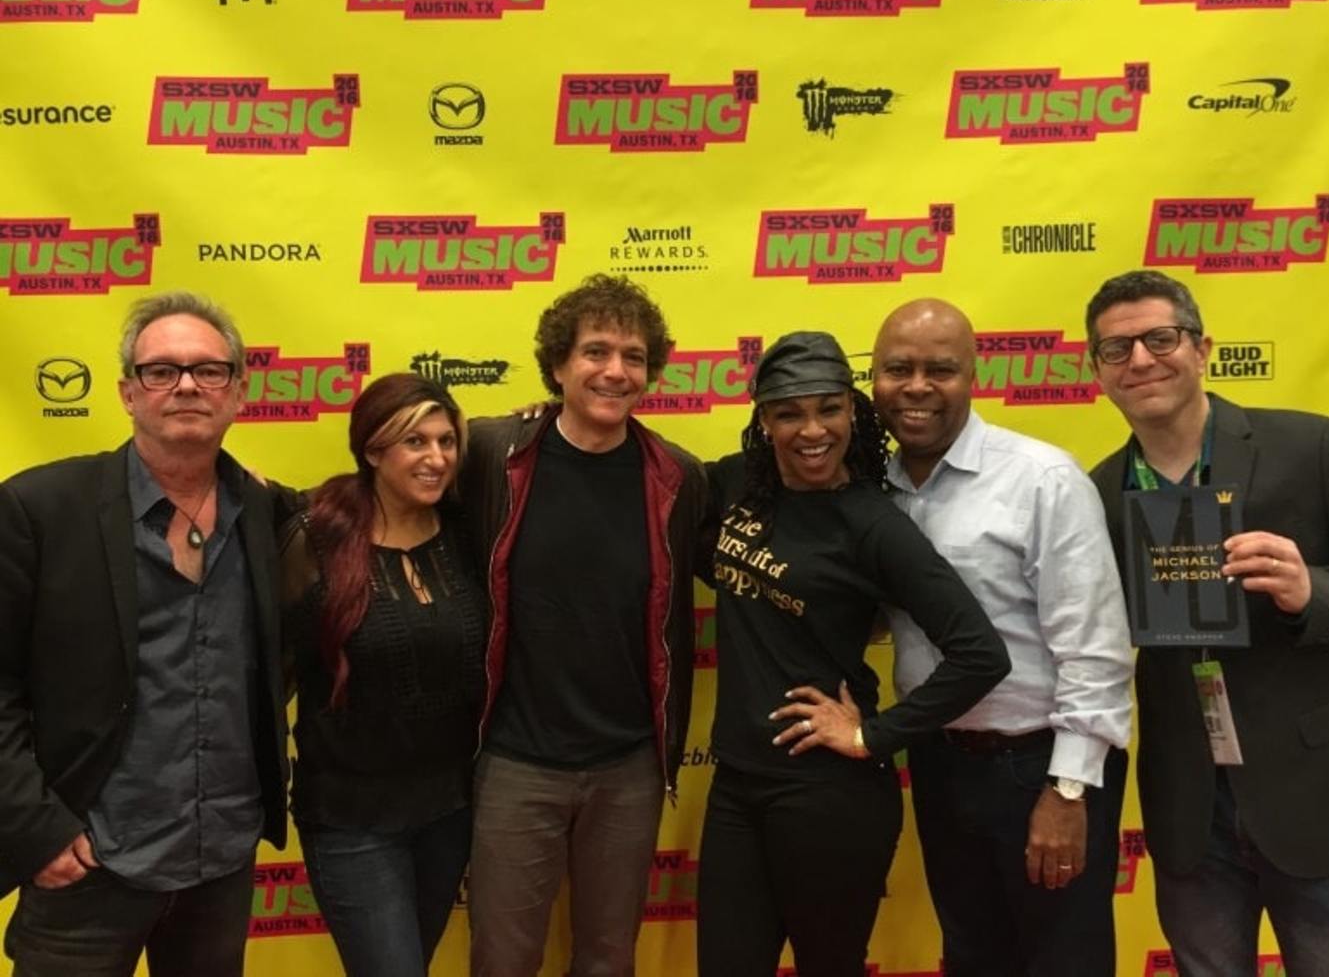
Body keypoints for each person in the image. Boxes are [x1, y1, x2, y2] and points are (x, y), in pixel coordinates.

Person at [696, 330, 1010, 977]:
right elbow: (637, 478)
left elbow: (980, 653)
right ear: (763, 420)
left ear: (853, 411)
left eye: (828, 408)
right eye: (789, 413)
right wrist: (549, 418)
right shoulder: (736, 486)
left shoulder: (873, 522)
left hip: (828, 795)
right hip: (737, 785)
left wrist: (875, 734)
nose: (812, 430)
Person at [0, 292, 290, 977]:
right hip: (86, 865)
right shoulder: (39, 509)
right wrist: (35, 831)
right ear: (129, 392)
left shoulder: (269, 514)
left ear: (238, 391)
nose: (187, 384)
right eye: (161, 371)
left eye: (209, 370)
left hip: (219, 860)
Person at [870, 299, 1134, 976]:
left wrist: (1068, 791)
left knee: (1062, 961)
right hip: (939, 763)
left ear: (973, 376)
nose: (918, 387)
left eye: (941, 369)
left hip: (1039, 766)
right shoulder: (876, 492)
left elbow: (1096, 649)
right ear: (873, 378)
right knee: (972, 956)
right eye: (898, 368)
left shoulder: (1041, 479)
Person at [1086, 269, 1329, 977]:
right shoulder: (1093, 494)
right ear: (1097, 371)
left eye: (1160, 339)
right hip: (1188, 804)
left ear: (1202, 349)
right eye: (1116, 348)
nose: (1139, 360)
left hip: (1310, 793)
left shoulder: (1308, 449)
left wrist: (1309, 589)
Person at [461, 274, 707, 977]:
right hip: (514, 762)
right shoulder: (491, 456)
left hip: (628, 767)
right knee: (503, 962)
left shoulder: (678, 478)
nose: (615, 371)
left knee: (607, 960)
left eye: (633, 356)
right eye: (595, 351)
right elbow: (391, 496)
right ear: (559, 365)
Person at [279, 373, 486, 977]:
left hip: (448, 811)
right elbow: (266, 669)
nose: (437, 458)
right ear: (372, 451)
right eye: (415, 442)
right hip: (351, 817)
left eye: (447, 442)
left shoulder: (467, 535)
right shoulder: (316, 537)